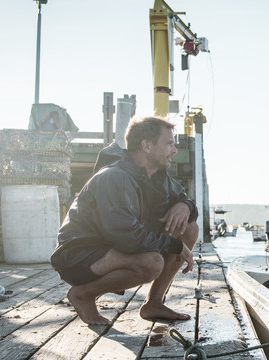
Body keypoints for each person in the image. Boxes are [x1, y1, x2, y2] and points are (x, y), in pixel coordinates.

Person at [51, 115, 199, 325]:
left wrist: (185, 205)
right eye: (169, 144)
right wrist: (175, 245)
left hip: (110, 245)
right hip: (79, 255)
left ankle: (153, 304)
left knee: (189, 228)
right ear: (147, 146)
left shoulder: (157, 176)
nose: (173, 150)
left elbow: (183, 197)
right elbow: (127, 238)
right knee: (151, 263)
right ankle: (83, 294)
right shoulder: (114, 177)